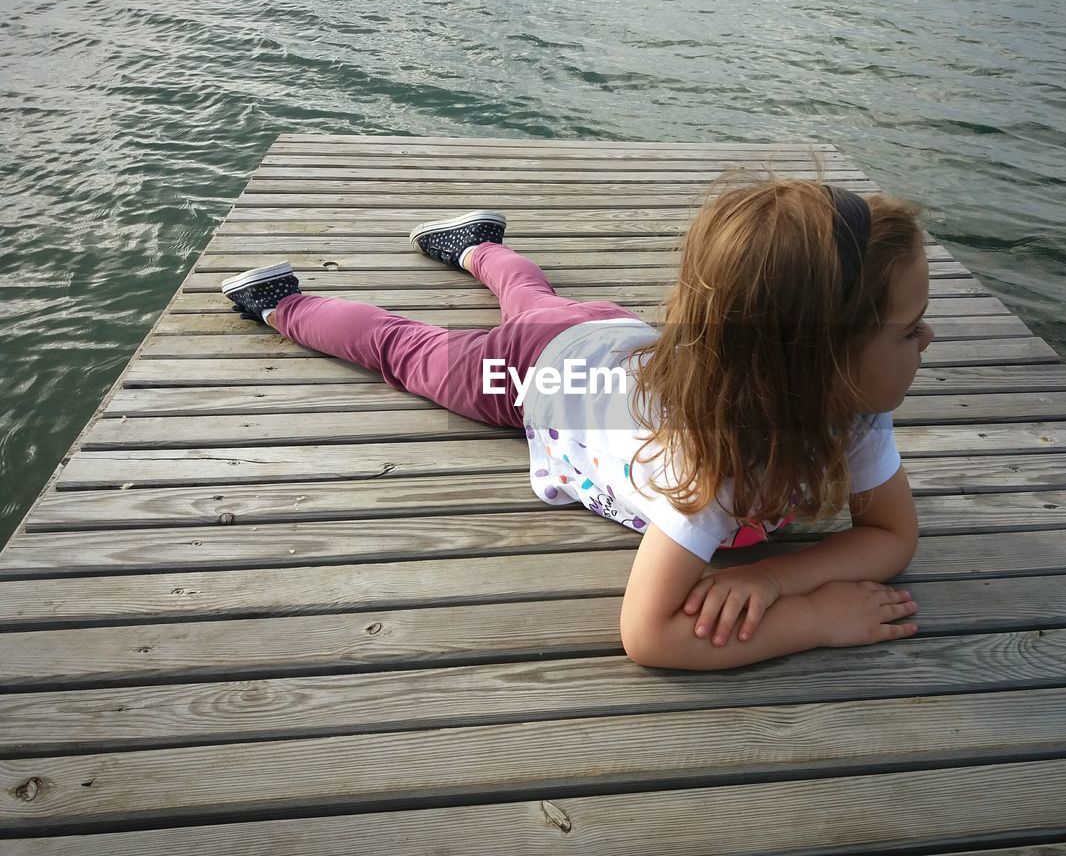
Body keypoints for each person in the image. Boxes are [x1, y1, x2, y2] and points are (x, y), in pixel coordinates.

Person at [220, 168, 931, 671]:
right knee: (409, 351)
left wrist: (775, 581)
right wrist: (809, 618)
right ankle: (283, 303)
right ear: (816, 359)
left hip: (619, 340)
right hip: (541, 373)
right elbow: (649, 635)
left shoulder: (850, 414)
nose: (928, 341)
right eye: (909, 329)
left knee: (537, 300)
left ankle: (475, 244)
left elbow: (892, 534)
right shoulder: (707, 459)